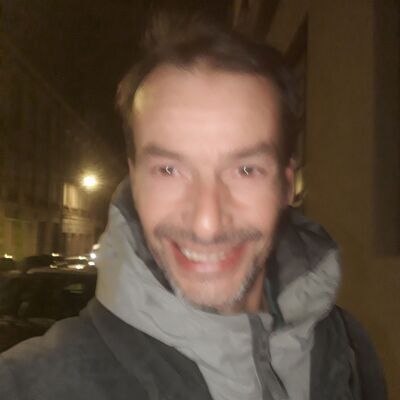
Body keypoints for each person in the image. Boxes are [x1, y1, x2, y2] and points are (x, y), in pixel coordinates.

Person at [0, 14, 386, 400]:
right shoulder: (31, 383)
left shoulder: (346, 349)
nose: (206, 223)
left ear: (287, 184)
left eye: (246, 170)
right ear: (135, 180)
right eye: (169, 170)